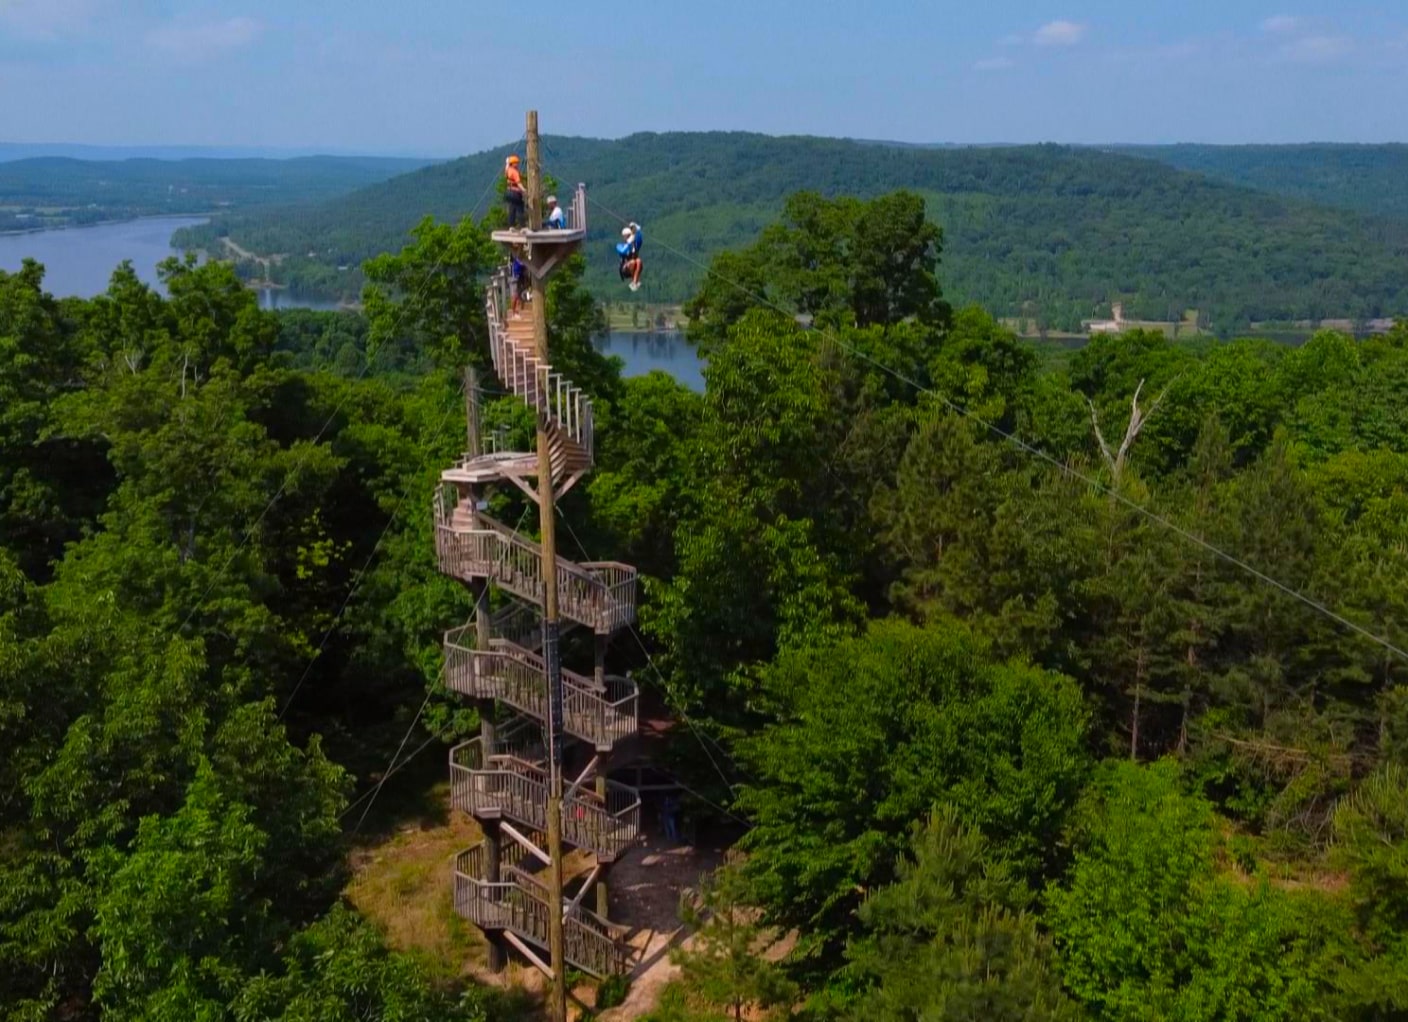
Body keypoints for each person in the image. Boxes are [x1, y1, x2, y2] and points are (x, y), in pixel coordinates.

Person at [615, 222, 643, 291]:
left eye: (629, 235)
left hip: (633, 266)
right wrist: (629, 243)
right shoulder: (619, 246)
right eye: (627, 236)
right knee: (633, 261)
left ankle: (634, 282)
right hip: (625, 269)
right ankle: (634, 281)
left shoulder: (635, 246)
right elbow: (623, 251)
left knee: (638, 261)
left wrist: (637, 229)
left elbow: (640, 240)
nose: (629, 237)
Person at [503, 155, 525, 229]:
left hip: (508, 192)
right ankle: (522, 226)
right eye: (516, 163)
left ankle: (511, 226)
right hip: (515, 193)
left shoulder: (508, 170)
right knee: (520, 208)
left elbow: (506, 168)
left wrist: (507, 162)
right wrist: (524, 190)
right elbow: (518, 183)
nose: (517, 164)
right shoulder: (514, 172)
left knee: (512, 209)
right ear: (513, 164)